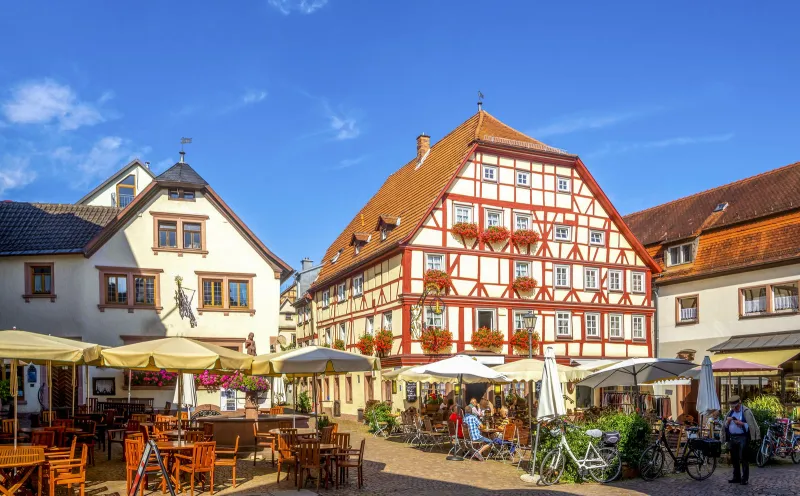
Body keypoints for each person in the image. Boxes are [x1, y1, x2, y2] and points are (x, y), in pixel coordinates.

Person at [722, 395, 760, 485]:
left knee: (744, 458)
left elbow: (751, 426)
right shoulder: (730, 413)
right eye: (733, 407)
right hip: (732, 438)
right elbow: (725, 426)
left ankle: (745, 478)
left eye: (736, 407)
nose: (734, 408)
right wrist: (727, 422)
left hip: (743, 437)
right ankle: (736, 477)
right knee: (734, 458)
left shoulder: (746, 411)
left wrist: (742, 424)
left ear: (739, 403)